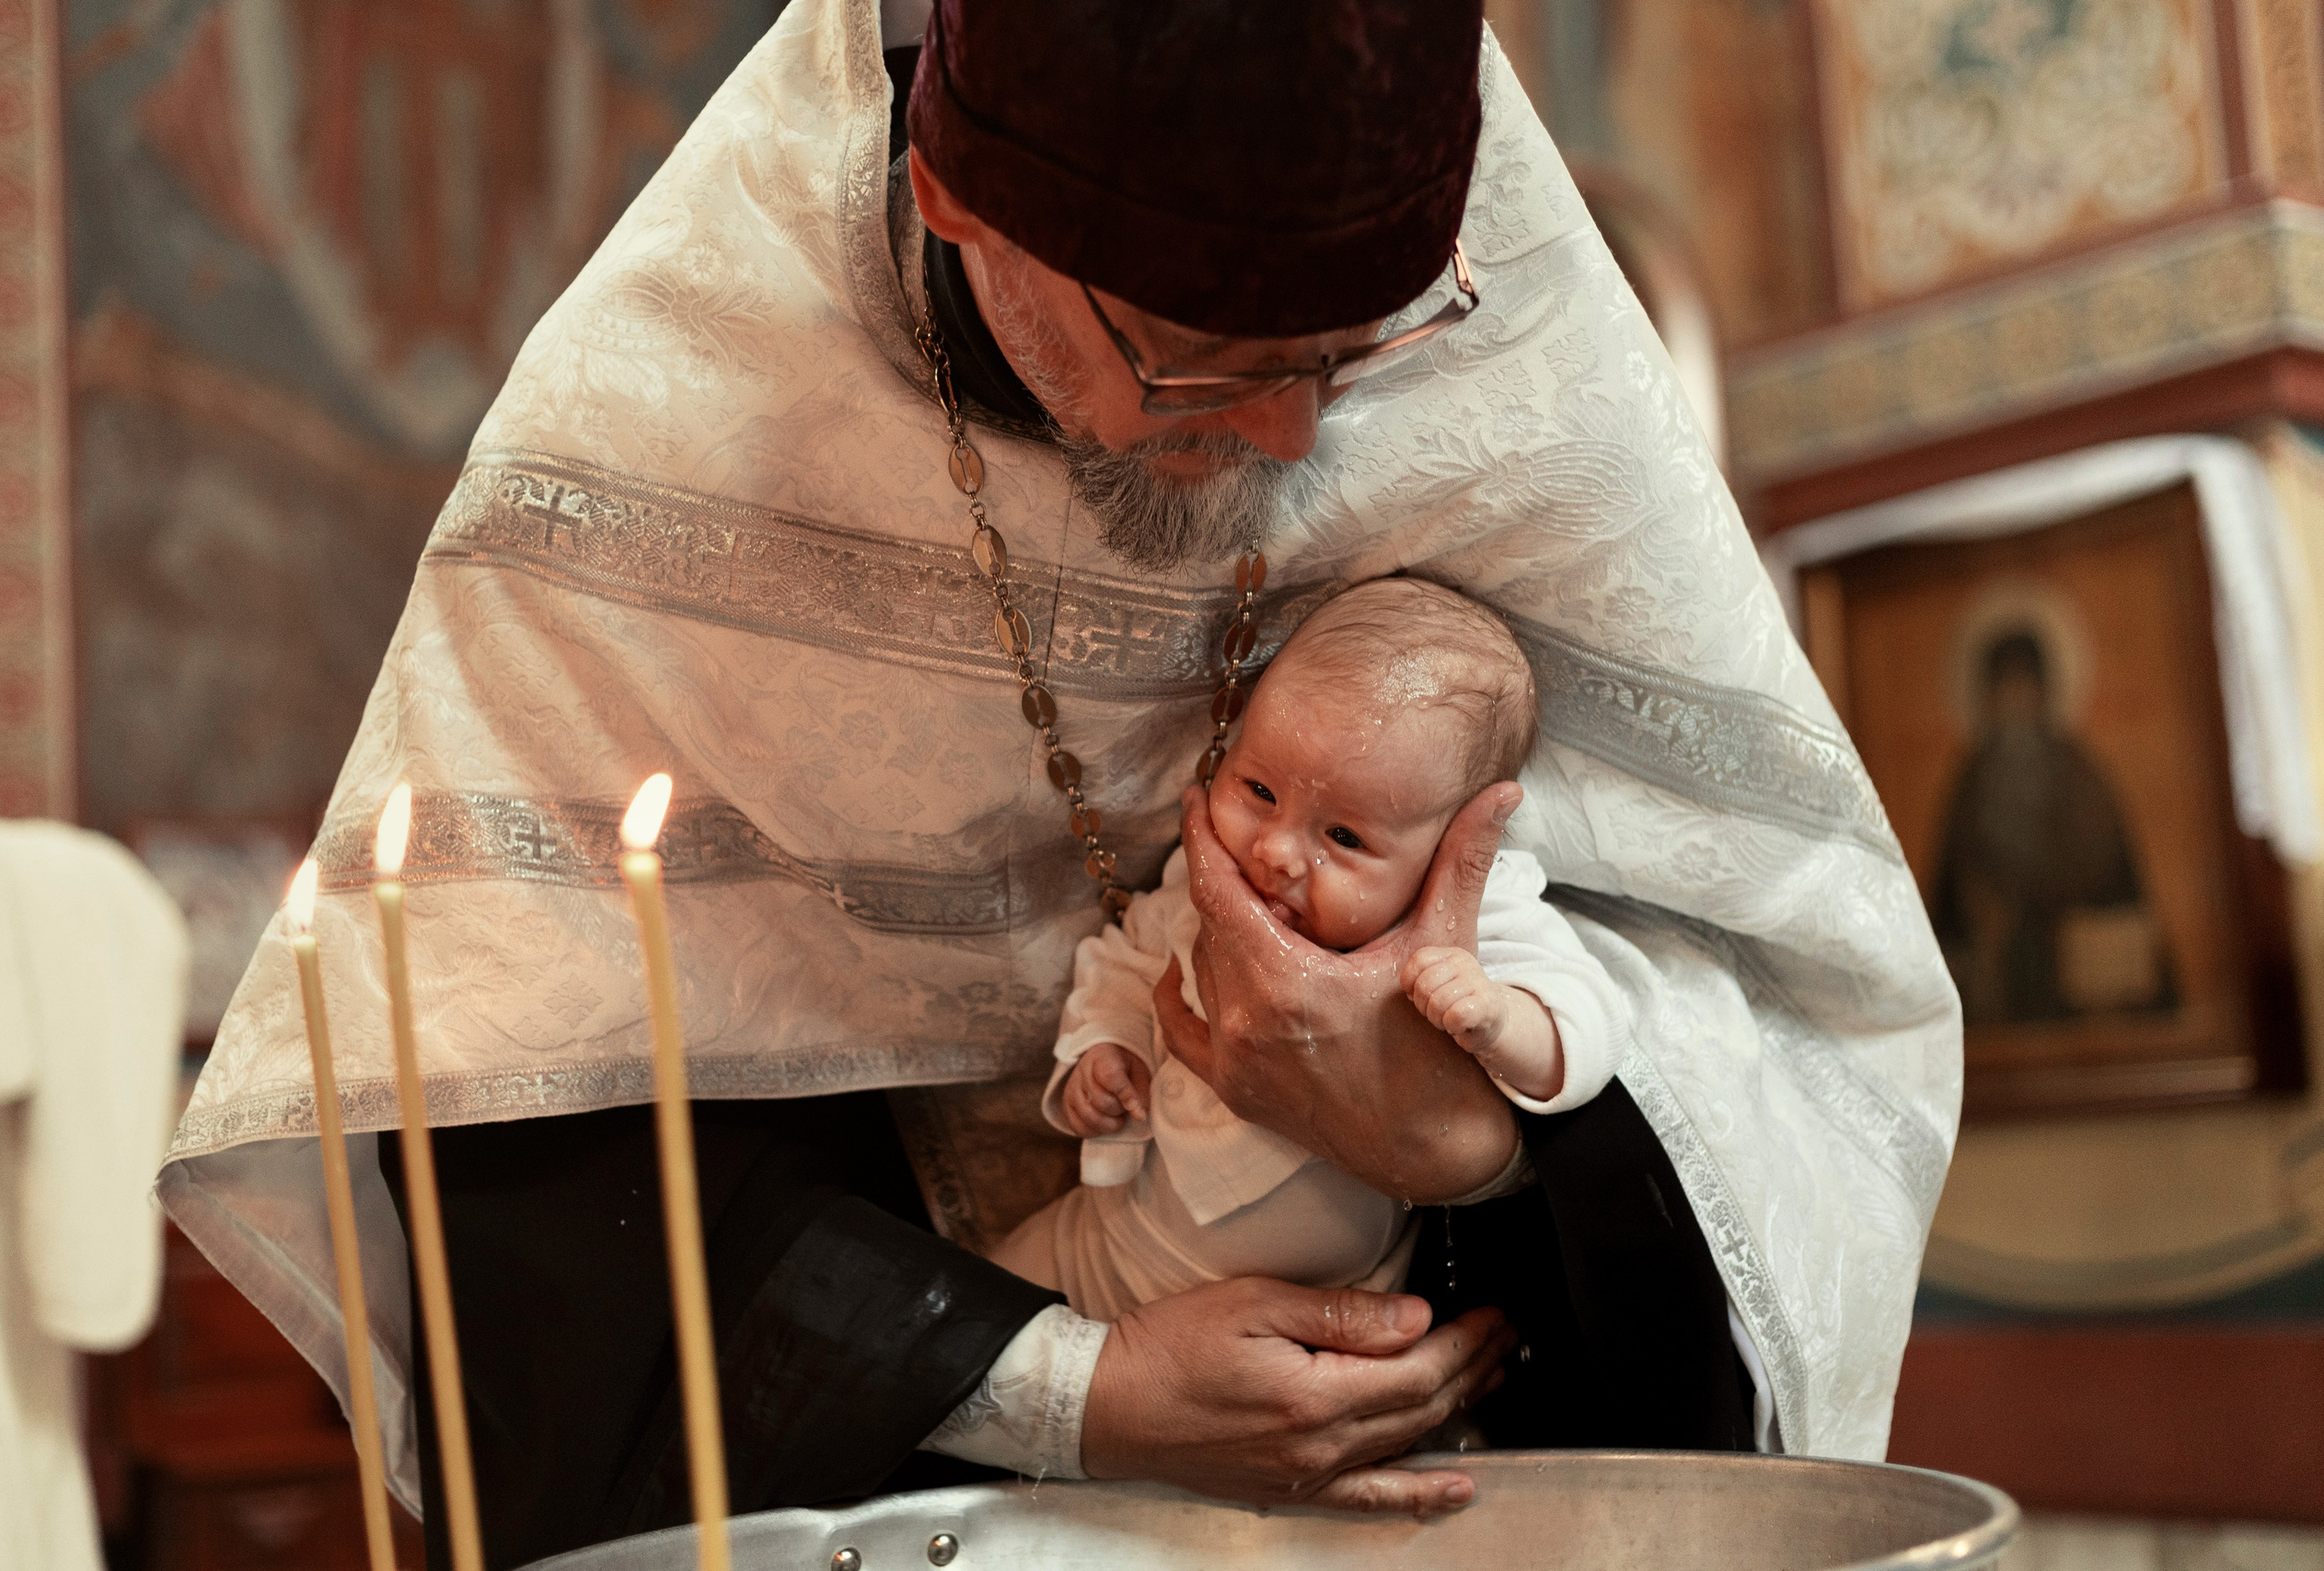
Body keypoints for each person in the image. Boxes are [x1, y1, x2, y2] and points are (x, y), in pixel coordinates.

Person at [156, 3, 1963, 1567]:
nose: (1290, 440)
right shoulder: (669, 411)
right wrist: (1067, 1389)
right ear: (961, 212)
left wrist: (1469, 1132)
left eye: (1349, 358)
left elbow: (1776, 982)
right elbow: (538, 1145)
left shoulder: (1468, 298)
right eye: (1206, 360)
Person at [995, 578, 1627, 1323]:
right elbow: (1131, 960)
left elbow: (1590, 1022)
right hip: (1112, 1243)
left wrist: (1500, 1017)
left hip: (1328, 1304)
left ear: (1446, 848)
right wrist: (1106, 1047)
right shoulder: (1212, 883)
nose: (1277, 852)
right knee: (976, 1311)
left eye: (1345, 838)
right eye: (1258, 788)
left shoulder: (1474, 921)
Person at [1932, 630, 2175, 1022]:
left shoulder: (2079, 774)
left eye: (2024, 686)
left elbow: (2110, 874)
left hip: (2081, 972)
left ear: (2045, 691)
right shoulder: (1971, 781)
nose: (2014, 701)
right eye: (2002, 688)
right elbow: (1948, 895)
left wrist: (2040, 902)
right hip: (1994, 980)